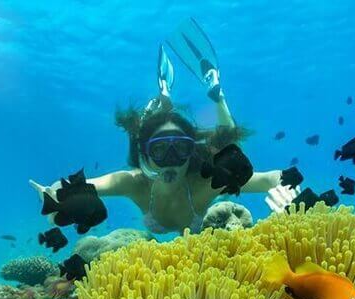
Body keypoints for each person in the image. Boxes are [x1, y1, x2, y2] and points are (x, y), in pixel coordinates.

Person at [31, 20, 298, 234]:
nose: (171, 160)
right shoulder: (133, 182)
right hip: (144, 155)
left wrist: (286, 190)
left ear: (191, 152)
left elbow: (273, 177)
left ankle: (216, 94)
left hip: (211, 165)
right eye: (160, 150)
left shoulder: (208, 181)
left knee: (232, 153)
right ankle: (161, 102)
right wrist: (52, 195)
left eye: (180, 148)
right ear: (146, 155)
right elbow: (77, 186)